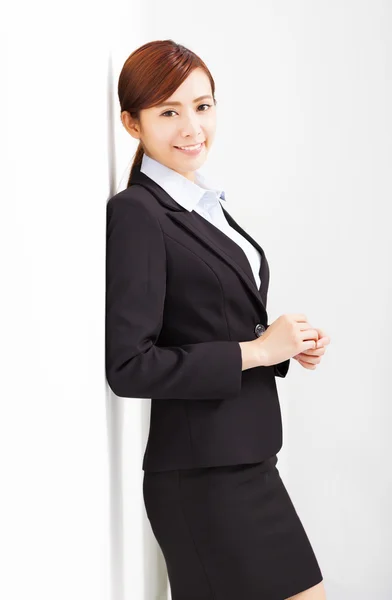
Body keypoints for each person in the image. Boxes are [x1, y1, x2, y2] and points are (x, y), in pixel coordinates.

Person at [106, 39, 330, 600]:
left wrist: (281, 340)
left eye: (202, 106)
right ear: (133, 124)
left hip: (247, 460)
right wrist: (255, 352)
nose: (191, 127)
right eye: (168, 112)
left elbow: (208, 318)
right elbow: (129, 365)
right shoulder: (138, 213)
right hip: (202, 476)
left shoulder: (203, 203)